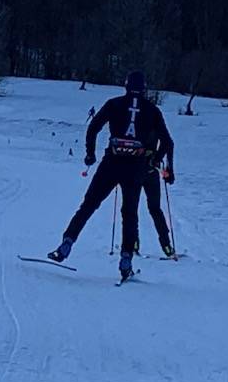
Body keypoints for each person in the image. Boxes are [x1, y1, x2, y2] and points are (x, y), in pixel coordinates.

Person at [48, 71, 174, 280]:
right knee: (129, 214)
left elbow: (93, 127)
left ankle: (66, 244)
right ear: (144, 89)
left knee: (89, 204)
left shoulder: (114, 104)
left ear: (125, 86)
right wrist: (155, 160)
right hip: (135, 167)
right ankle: (126, 260)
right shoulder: (152, 110)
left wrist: (90, 153)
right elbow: (168, 142)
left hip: (111, 162)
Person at [134, 129, 175, 258]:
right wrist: (161, 161)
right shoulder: (156, 120)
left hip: (133, 170)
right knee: (155, 209)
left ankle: (133, 243)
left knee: (131, 207)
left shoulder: (135, 119)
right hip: (151, 170)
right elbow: (168, 143)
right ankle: (166, 245)